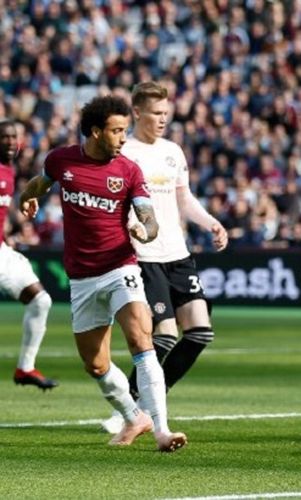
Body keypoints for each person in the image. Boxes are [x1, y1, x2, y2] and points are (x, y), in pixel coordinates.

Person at [19, 95, 186, 452]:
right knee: (95, 365)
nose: (124, 138)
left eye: (125, 130)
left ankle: (161, 430)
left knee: (142, 339)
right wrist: (27, 196)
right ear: (96, 132)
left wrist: (147, 230)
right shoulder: (62, 160)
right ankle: (133, 417)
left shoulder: (128, 170)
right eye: (117, 131)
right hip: (81, 278)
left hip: (120, 267)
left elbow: (148, 216)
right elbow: (41, 181)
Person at [101, 82, 228, 434]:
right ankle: (128, 408)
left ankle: (152, 397)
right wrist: (130, 226)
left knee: (200, 333)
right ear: (138, 112)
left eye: (166, 115)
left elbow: (183, 199)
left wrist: (211, 222)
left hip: (178, 254)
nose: (162, 120)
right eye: (156, 114)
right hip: (144, 255)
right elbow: (117, 202)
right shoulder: (125, 153)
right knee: (165, 336)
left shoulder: (173, 151)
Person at [0, 120, 57, 390]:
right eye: (5, 137)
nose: (11, 142)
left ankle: (25, 368)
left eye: (14, 137)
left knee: (40, 301)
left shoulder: (9, 171)